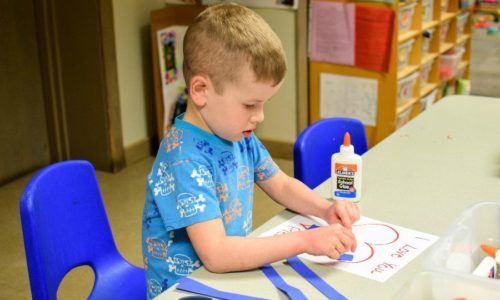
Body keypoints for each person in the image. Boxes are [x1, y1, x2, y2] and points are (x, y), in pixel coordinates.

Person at [142, 3, 360, 298]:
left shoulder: (236, 132)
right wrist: (305, 241)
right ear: (201, 90)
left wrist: (325, 209)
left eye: (263, 104)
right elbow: (217, 255)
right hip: (187, 289)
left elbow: (280, 184)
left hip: (228, 275)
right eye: (250, 104)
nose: (260, 117)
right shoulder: (184, 158)